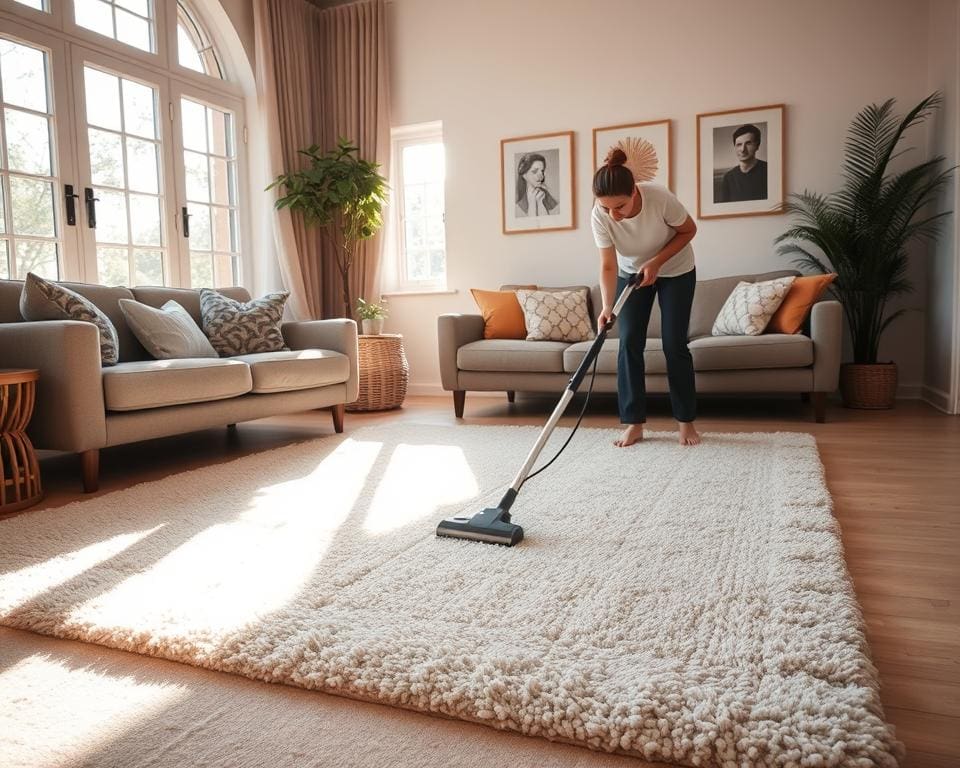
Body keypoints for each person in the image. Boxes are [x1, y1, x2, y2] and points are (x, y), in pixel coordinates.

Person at [591, 148, 700, 447]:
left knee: (674, 343)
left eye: (620, 206)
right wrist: (607, 306)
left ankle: (685, 422)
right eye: (605, 208)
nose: (613, 214)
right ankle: (633, 423)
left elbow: (688, 230)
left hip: (677, 270)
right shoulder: (599, 216)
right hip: (631, 274)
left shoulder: (659, 198)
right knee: (628, 343)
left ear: (635, 192)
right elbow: (608, 264)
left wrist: (656, 262)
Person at [718, 124, 767, 202]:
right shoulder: (728, 177)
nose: (743, 149)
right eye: (739, 144)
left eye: (748, 143)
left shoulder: (768, 171)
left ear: (757, 146)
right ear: (735, 147)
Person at [515, 153, 559, 217]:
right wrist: (532, 203)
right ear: (524, 175)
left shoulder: (547, 196)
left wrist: (540, 203)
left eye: (542, 171)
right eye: (535, 171)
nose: (541, 176)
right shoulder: (519, 206)